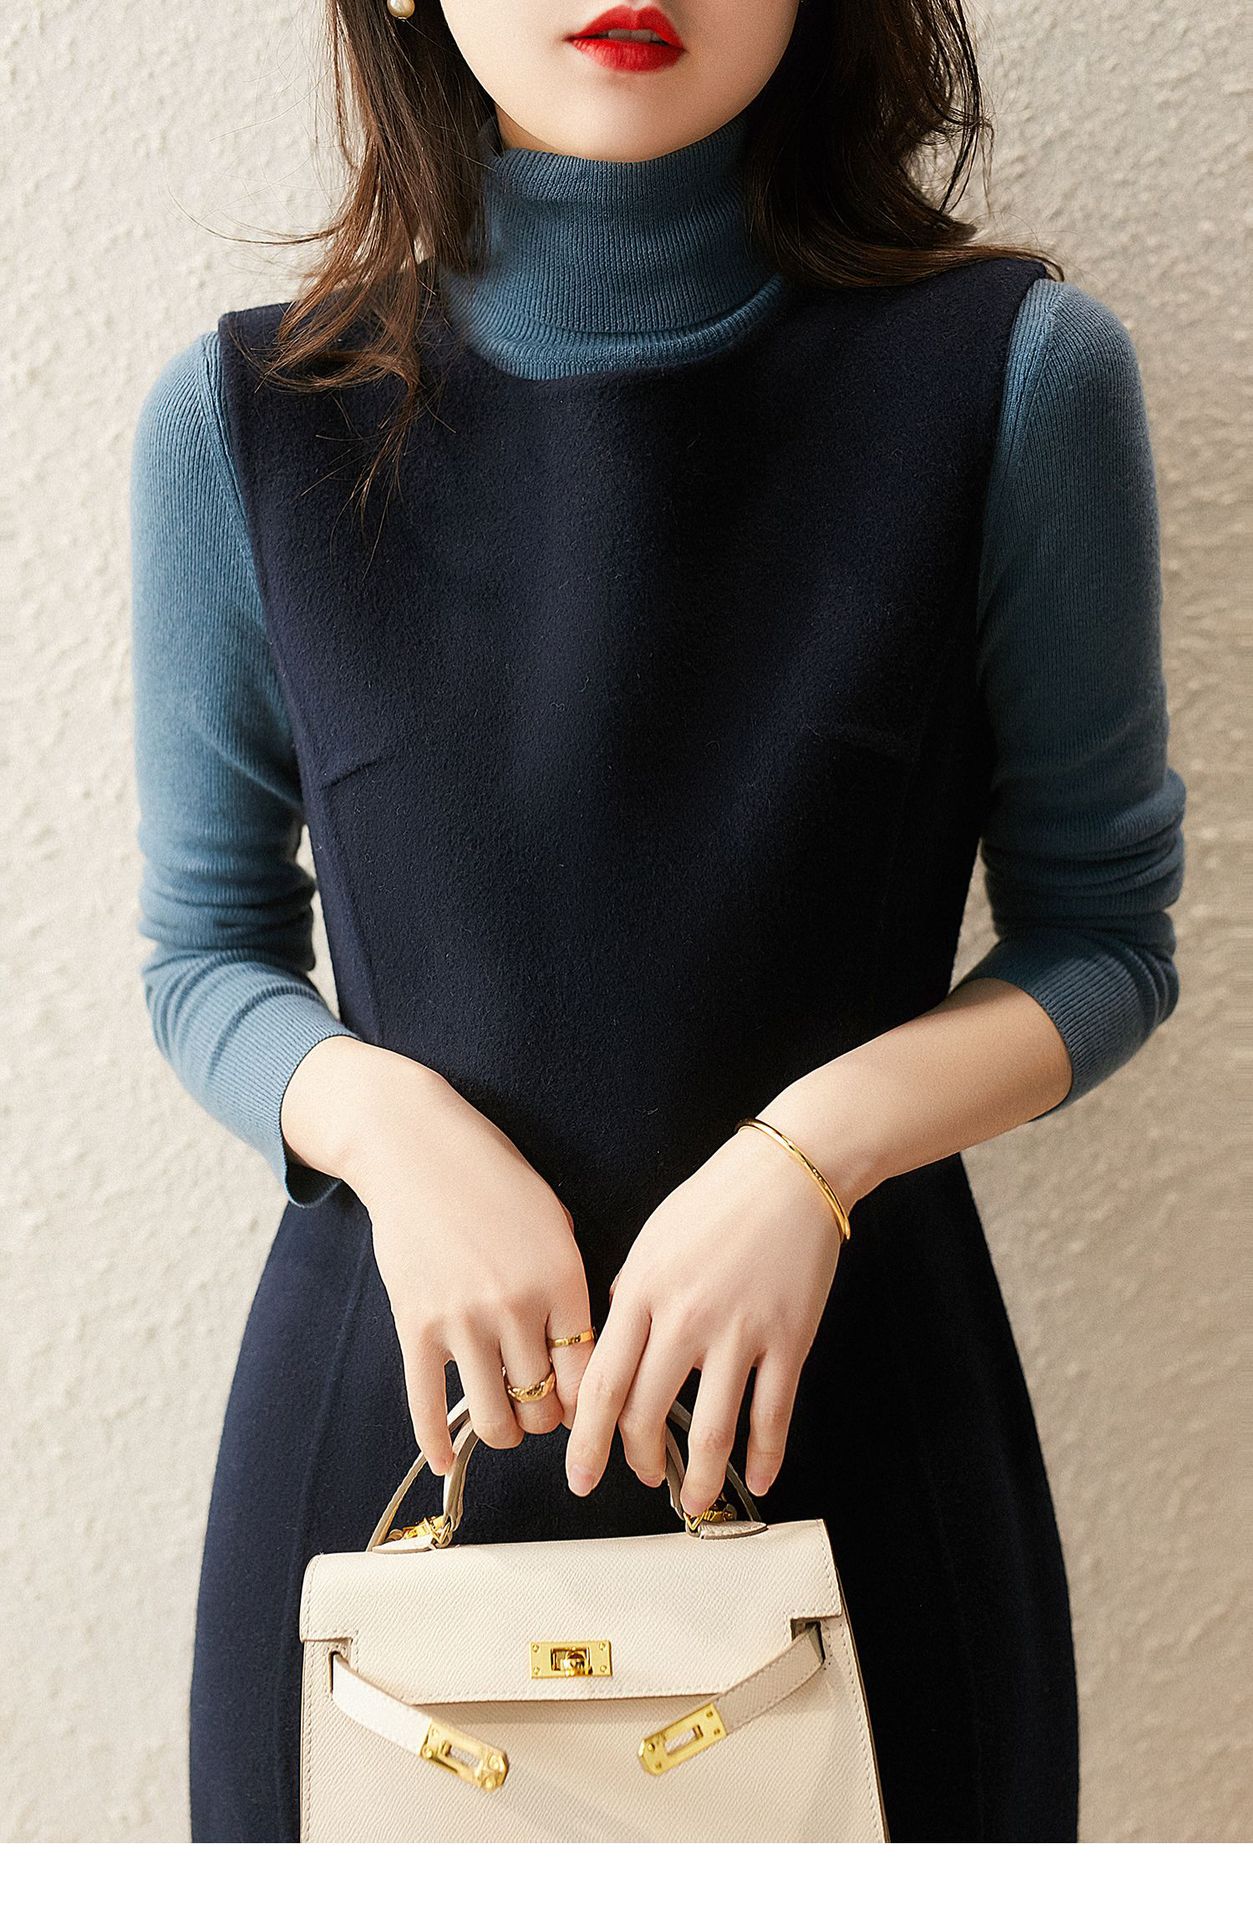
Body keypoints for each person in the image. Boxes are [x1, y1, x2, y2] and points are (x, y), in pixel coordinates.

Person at [129, 0, 1187, 1843]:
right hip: (388, 1462)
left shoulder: (1015, 376)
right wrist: (391, 1133)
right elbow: (204, 951)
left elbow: (1105, 934)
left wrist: (810, 1159)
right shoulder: (247, 419)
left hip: (855, 1449)